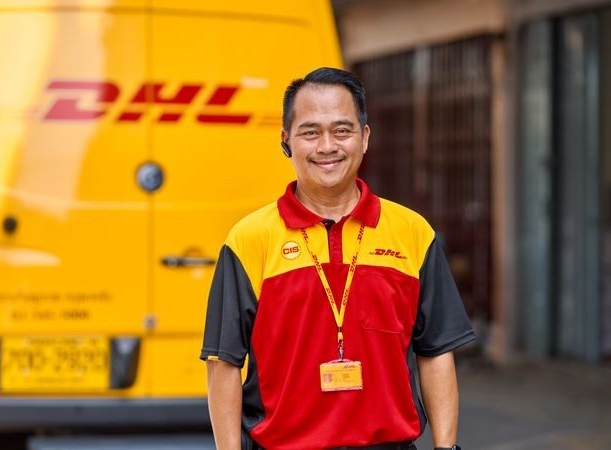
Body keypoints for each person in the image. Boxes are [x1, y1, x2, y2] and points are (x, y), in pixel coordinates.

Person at [200, 67, 475, 450]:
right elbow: (223, 363)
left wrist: (446, 447)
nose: (327, 146)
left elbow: (436, 352)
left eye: (342, 130)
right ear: (285, 141)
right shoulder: (249, 239)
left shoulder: (413, 233)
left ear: (364, 138)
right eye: (310, 132)